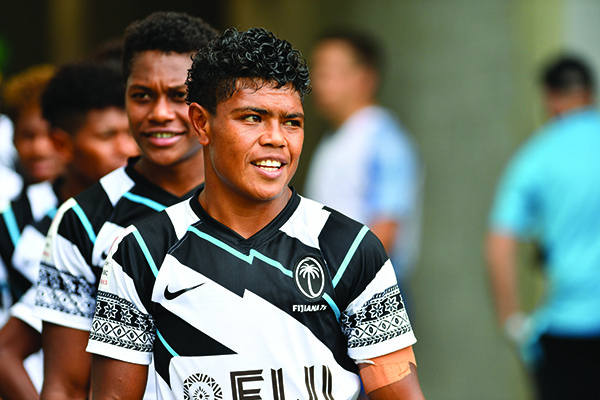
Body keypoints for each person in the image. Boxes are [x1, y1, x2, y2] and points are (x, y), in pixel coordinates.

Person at [87, 27, 425, 400]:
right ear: (201, 123)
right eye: (252, 118)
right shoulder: (141, 253)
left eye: (291, 122)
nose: (276, 138)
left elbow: (399, 394)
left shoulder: (351, 249)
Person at [33, 11, 218, 400]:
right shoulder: (82, 221)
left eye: (179, 95)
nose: (160, 113)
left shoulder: (258, 203)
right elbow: (64, 385)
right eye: (142, 96)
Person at [0, 60, 139, 400]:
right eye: (109, 136)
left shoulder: (155, 217)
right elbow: (7, 351)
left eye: (130, 134)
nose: (126, 149)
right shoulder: (52, 232)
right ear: (63, 145)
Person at [486, 55, 600, 399]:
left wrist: (514, 325)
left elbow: (499, 246)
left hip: (565, 335)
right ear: (590, 93)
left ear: (549, 97)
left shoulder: (536, 157)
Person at [304, 30, 422, 295]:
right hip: (336, 286)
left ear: (365, 78)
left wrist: (339, 287)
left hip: (368, 289)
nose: (318, 81)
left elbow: (386, 228)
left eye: (329, 71)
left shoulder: (383, 138)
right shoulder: (336, 137)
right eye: (317, 70)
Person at [0, 65, 65, 323]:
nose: (39, 149)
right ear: (12, 138)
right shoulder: (7, 218)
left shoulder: (102, 206)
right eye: (28, 135)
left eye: (50, 135)